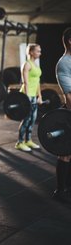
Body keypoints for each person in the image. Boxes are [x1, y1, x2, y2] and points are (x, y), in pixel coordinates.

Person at [52, 27, 71, 202]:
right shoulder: (64, 63)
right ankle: (60, 190)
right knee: (65, 152)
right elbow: (69, 95)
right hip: (69, 113)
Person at [15, 44, 43, 152]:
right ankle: (20, 142)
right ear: (31, 52)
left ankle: (28, 140)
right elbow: (25, 82)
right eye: (38, 51)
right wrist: (26, 98)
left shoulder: (36, 65)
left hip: (33, 96)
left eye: (40, 51)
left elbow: (37, 82)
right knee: (26, 119)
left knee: (33, 119)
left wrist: (39, 96)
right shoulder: (27, 65)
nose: (40, 53)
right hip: (26, 95)